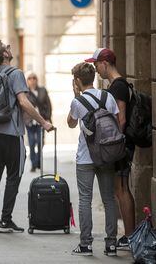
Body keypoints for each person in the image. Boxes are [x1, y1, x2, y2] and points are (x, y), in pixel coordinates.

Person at [0, 40, 53, 234]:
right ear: (5, 54)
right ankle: (5, 220)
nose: (10, 47)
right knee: (14, 175)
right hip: (11, 134)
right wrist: (43, 122)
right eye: (7, 47)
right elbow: (23, 102)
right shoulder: (15, 74)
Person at [85, 48, 135, 251]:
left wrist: (113, 144)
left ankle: (130, 236)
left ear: (105, 63)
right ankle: (128, 235)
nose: (96, 70)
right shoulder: (116, 86)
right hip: (119, 144)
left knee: (121, 189)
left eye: (96, 65)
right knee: (120, 189)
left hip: (119, 145)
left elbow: (120, 119)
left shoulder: (119, 86)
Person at [67, 62, 118, 257]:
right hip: (107, 155)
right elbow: (115, 121)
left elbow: (71, 123)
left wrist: (75, 97)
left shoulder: (78, 102)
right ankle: (111, 244)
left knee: (85, 200)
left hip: (86, 157)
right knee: (109, 199)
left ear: (78, 81)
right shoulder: (108, 96)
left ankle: (86, 245)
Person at [25, 72, 52, 172]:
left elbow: (48, 105)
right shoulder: (24, 92)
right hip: (29, 121)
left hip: (41, 121)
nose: (32, 80)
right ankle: (33, 164)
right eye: (30, 78)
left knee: (40, 142)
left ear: (37, 80)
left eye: (34, 78)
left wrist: (48, 118)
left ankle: (38, 162)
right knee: (32, 143)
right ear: (27, 81)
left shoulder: (42, 90)